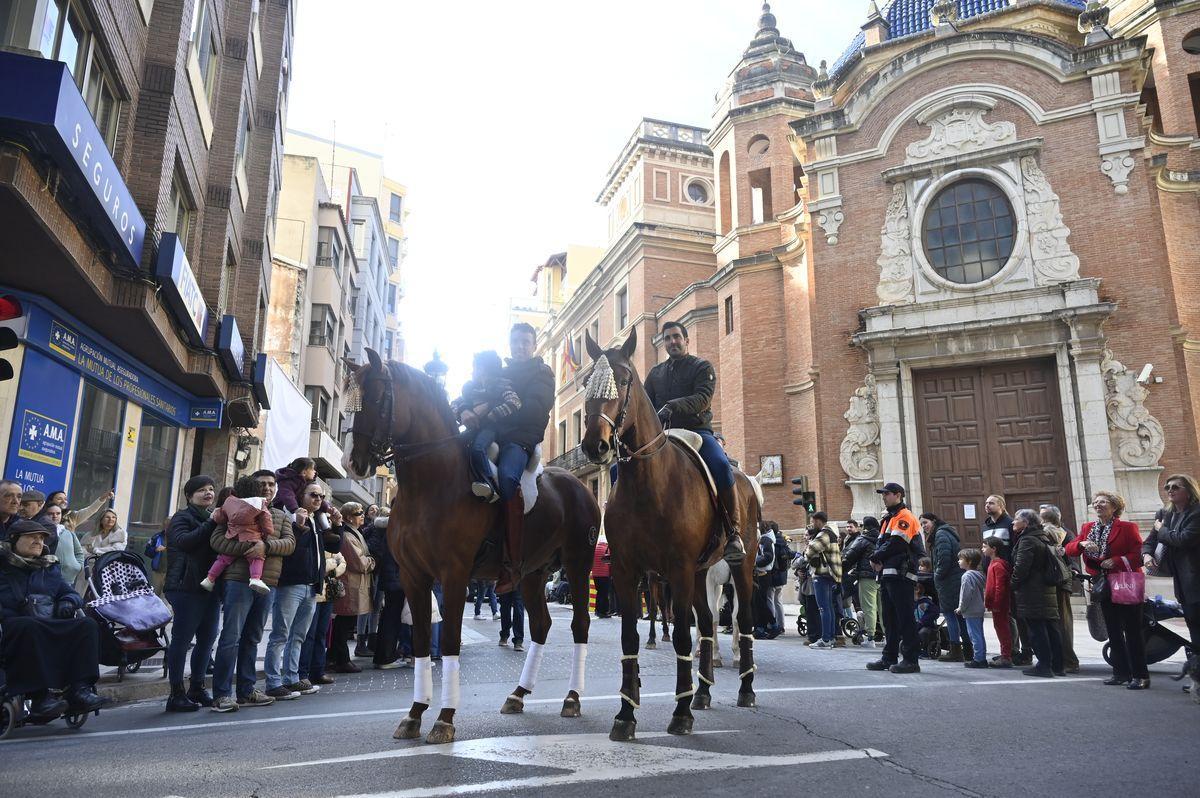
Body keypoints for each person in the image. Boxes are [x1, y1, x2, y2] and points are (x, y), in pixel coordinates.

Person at [643, 321, 744, 563]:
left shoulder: (702, 367)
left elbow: (703, 399)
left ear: (686, 340)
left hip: (697, 434)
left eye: (677, 337)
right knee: (620, 468)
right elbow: (645, 405)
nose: (672, 342)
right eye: (667, 338)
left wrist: (671, 406)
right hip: (663, 437)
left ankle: (734, 532)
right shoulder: (655, 374)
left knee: (720, 465)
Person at [208, 470, 296, 712]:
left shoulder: (279, 515)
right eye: (262, 484)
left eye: (271, 484)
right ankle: (222, 694)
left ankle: (247, 690)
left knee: (253, 638)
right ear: (252, 488)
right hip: (238, 580)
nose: (267, 488)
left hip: (267, 583)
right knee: (231, 637)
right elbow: (216, 541)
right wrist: (249, 547)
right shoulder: (233, 510)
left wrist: (265, 546)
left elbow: (290, 544)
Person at [0, 519, 106, 717]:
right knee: (29, 626)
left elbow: (70, 592)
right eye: (32, 537)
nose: (38, 541)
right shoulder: (4, 566)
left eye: (41, 538)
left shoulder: (48, 567)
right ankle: (40, 698)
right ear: (13, 539)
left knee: (87, 624)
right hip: (12, 625)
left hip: (45, 622)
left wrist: (68, 602)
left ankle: (79, 690)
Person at [486, 323, 555, 588]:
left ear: (534, 345)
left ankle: (512, 562)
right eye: (516, 342)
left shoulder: (543, 374)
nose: (520, 347)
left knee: (507, 479)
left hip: (520, 441)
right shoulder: (501, 372)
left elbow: (534, 411)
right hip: (494, 434)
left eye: (526, 342)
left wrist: (497, 410)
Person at [1066, 491, 1148, 689]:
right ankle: (1120, 672)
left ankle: (1140, 675)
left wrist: (1117, 561)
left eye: (1103, 502)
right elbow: (1069, 548)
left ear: (1114, 506)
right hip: (1103, 584)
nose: (1098, 505)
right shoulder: (1088, 528)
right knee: (1113, 630)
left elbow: (1139, 554)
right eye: (1095, 502)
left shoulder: (1127, 527)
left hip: (1125, 583)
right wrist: (1082, 543)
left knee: (1132, 630)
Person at [261, 482, 328, 699]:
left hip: (311, 586)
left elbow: (332, 548)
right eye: (314, 495)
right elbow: (290, 549)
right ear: (301, 495)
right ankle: (273, 682)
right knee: (281, 634)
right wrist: (298, 526)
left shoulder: (317, 520)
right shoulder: (289, 516)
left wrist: (337, 526)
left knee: (299, 636)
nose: (318, 499)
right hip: (291, 584)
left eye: (321, 496)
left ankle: (292, 678)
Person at [163, 475, 220, 712]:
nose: (208, 493)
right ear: (189, 496)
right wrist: (211, 524)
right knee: (182, 640)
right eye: (201, 490)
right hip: (185, 587)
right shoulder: (181, 517)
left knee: (207, 640)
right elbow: (183, 542)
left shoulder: (212, 517)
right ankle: (176, 693)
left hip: (209, 587)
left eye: (210, 489)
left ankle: (197, 686)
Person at [1143, 474, 1200, 703]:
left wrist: (1162, 530)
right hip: (1184, 583)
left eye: (1176, 487)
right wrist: (1146, 554)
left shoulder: (1196, 513)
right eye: (1168, 487)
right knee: (1195, 631)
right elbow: (1150, 540)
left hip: (1196, 579)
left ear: (1189, 490)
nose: (1170, 491)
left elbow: (1184, 539)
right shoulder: (1165, 514)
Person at [867, 483, 922, 674]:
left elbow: (897, 544)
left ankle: (910, 660)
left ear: (898, 495)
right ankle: (888, 657)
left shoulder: (905, 517)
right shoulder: (889, 519)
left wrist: (876, 557)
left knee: (905, 618)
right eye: (883, 494)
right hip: (889, 575)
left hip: (902, 575)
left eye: (887, 494)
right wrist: (876, 558)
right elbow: (883, 543)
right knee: (890, 619)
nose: (884, 497)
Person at [454, 349, 524, 501]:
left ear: (485, 370)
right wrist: (463, 410)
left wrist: (492, 414)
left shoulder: (501, 385)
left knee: (478, 449)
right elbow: (454, 405)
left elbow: (515, 402)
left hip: (490, 428)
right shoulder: (470, 389)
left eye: (476, 368)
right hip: (473, 429)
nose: (473, 372)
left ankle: (489, 485)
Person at [1010, 509, 1064, 678]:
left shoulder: (1028, 540)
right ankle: (1057, 666)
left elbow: (1021, 567)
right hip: (1046, 588)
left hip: (1032, 590)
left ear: (1026, 523)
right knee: (1051, 627)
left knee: (1037, 629)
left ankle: (1044, 665)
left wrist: (1013, 584)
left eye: (1016, 519)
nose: (1013, 522)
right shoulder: (1043, 536)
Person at [329, 502, 376, 674]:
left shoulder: (355, 533)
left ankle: (334, 657)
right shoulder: (348, 536)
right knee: (344, 624)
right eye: (358, 513)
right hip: (350, 584)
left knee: (344, 624)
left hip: (355, 584)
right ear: (349, 517)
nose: (362, 515)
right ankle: (341, 659)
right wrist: (372, 561)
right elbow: (360, 562)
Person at [363, 504, 408, 669]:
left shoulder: (388, 526)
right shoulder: (397, 527)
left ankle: (385, 655)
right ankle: (386, 657)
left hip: (391, 577)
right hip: (396, 578)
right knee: (391, 618)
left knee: (389, 617)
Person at [1039, 504, 1079, 673]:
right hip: (1055, 581)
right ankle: (1059, 659)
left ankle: (1068, 660)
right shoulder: (1058, 532)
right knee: (1057, 621)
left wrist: (1074, 568)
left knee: (1062, 621)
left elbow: (1071, 554)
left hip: (1057, 581)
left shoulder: (1058, 533)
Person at [922, 512, 966, 662]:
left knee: (950, 615)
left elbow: (944, 560)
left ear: (934, 521)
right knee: (959, 616)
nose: (923, 526)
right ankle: (967, 649)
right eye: (921, 524)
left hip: (949, 582)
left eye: (925, 522)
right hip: (952, 580)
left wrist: (937, 576)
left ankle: (956, 650)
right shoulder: (944, 533)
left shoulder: (941, 535)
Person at [805, 512, 842, 649]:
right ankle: (830, 637)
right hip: (831, 575)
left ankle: (826, 639)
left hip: (823, 574)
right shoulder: (831, 533)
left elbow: (810, 551)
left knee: (823, 607)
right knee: (829, 607)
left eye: (813, 522)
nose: (812, 525)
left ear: (819, 521)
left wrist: (807, 548)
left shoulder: (824, 534)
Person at [843, 516, 881, 647]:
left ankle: (870, 638)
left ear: (865, 526)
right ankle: (889, 636)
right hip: (882, 576)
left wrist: (841, 570)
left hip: (867, 576)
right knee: (883, 608)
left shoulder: (863, 539)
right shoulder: (883, 538)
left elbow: (850, 557)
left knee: (869, 607)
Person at [983, 537, 1013, 668]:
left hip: (1000, 604)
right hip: (995, 603)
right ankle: (1004, 653)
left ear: (994, 549)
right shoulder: (993, 563)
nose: (982, 549)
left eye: (985, 546)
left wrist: (996, 604)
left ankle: (1006, 656)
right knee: (999, 627)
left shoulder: (998, 565)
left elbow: (999, 587)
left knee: (1002, 629)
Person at [957, 548, 987, 668]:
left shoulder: (967, 576)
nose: (958, 561)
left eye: (960, 559)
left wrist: (961, 608)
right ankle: (982, 657)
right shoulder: (978, 575)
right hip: (978, 608)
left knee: (974, 635)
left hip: (971, 609)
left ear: (968, 562)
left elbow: (966, 594)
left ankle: (978, 659)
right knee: (979, 634)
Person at [46, 504, 84, 587]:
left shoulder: (68, 533)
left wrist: (78, 567)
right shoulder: (41, 532)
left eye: (58, 513)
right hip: (48, 578)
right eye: (50, 514)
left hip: (69, 579)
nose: (55, 516)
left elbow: (79, 552)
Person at [752, 521, 778, 639]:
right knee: (758, 603)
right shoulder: (763, 540)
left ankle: (773, 625)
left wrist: (753, 562)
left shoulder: (765, 541)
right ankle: (760, 627)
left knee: (761, 603)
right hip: (760, 574)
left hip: (763, 575)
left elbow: (768, 557)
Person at [143, 518, 169, 597]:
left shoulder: (179, 537)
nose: (168, 527)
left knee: (166, 596)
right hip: (158, 571)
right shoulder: (156, 537)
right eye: (166, 525)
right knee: (155, 595)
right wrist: (155, 549)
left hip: (171, 572)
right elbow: (147, 551)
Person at [914, 581, 940, 658]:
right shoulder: (912, 603)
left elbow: (934, 613)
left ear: (917, 590)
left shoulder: (926, 603)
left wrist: (922, 621)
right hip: (916, 624)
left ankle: (925, 651)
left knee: (923, 633)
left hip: (927, 626)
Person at [498, 583, 525, 651]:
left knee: (518, 610)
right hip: (506, 580)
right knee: (505, 609)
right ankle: (505, 635)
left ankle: (518, 639)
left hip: (518, 580)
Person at [592, 540, 612, 618]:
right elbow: (610, 562)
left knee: (599, 592)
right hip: (604, 574)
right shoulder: (607, 549)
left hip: (595, 574)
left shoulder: (594, 549)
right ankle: (603, 611)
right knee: (604, 593)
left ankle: (597, 610)